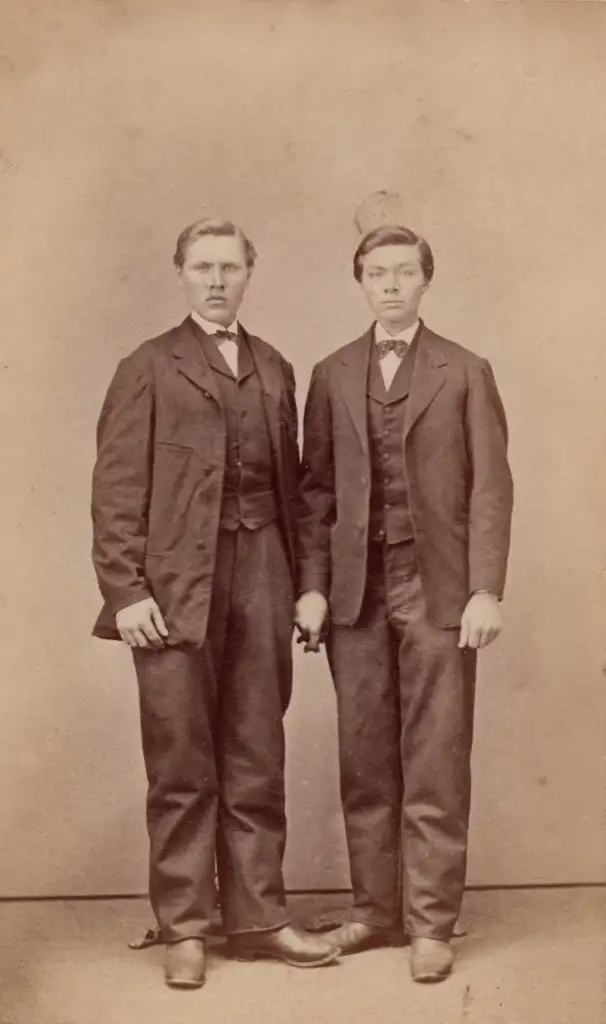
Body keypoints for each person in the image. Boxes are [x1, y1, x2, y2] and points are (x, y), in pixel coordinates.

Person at [91, 216, 340, 988]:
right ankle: (186, 927)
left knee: (257, 753)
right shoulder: (148, 366)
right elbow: (115, 490)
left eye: (229, 267)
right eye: (202, 267)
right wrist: (126, 590)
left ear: (249, 273)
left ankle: (259, 917)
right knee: (181, 762)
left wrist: (309, 586)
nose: (216, 280)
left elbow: (299, 493)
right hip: (172, 590)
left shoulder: (273, 367)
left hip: (264, 574)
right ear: (181, 274)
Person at [295, 217, 513, 982]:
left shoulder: (464, 370)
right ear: (360, 283)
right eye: (377, 273)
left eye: (403, 272)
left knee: (434, 759)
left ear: (426, 280)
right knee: (365, 759)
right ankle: (374, 911)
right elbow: (313, 496)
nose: (390, 285)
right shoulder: (329, 373)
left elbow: (490, 488)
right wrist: (314, 588)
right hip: (355, 594)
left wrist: (485, 588)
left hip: (439, 589)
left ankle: (430, 922)